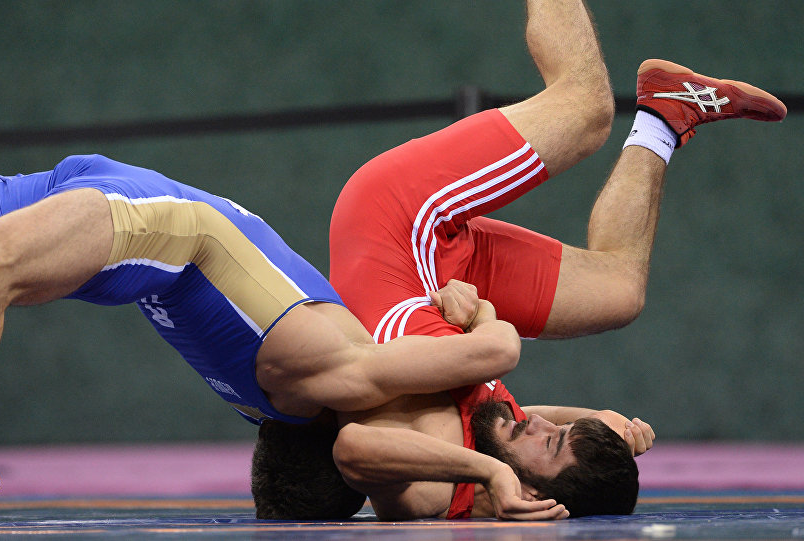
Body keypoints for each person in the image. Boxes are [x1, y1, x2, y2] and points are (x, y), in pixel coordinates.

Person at [253, 0, 786, 521]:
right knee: (620, 291)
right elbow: (511, 417)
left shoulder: (428, 495)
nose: (535, 425)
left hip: (398, 220)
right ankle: (666, 117)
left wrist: (487, 470)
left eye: (551, 445)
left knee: (585, 111)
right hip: (449, 279)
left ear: (531, 493)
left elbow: (353, 450)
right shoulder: (500, 441)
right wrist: (592, 422)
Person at [0, 162, 545, 526]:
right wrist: (472, 312)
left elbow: (494, 359)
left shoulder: (335, 378)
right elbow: (495, 365)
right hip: (101, 187)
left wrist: (472, 315)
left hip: (157, 224)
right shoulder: (328, 386)